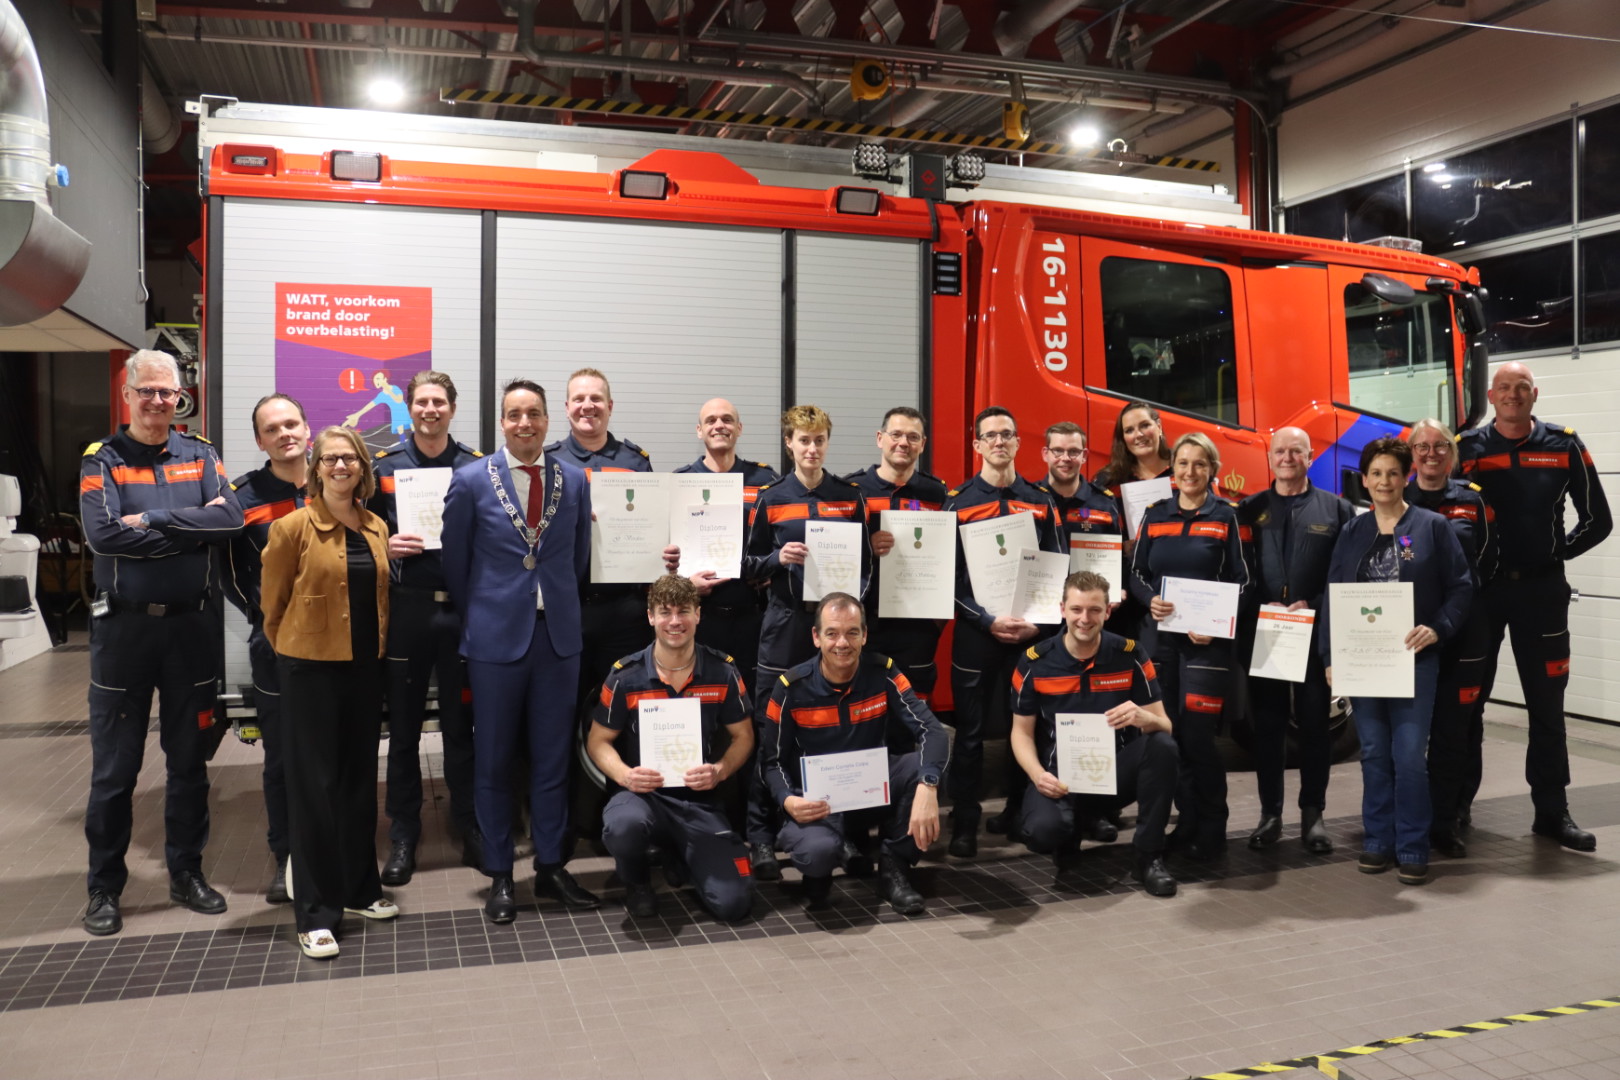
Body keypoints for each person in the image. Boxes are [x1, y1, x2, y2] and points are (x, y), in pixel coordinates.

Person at [79, 349, 243, 937]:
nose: (157, 401)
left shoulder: (200, 454)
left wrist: (152, 522)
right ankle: (103, 887)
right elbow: (103, 536)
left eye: (166, 392)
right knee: (115, 770)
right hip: (124, 635)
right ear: (128, 395)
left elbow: (230, 521)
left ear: (180, 397)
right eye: (146, 390)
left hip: (189, 631)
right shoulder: (102, 458)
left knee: (190, 763)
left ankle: (187, 873)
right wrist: (191, 528)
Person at [442, 378, 599, 923]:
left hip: (557, 638)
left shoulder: (573, 479)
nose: (525, 423)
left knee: (554, 758)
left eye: (534, 413)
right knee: (494, 759)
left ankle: (552, 866)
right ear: (501, 422)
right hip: (494, 640)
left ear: (547, 420)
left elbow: (578, 558)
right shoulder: (470, 481)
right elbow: (457, 565)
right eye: (514, 414)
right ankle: (501, 874)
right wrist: (486, 616)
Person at [1455, 361, 1612, 851]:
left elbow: (1599, 520)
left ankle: (1552, 811)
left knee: (1547, 707)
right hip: (1482, 595)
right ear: (1490, 395)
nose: (1512, 394)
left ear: (1534, 394)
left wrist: (1556, 554)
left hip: (1542, 595)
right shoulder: (1466, 449)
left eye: (1521, 387)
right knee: (1468, 703)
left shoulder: (1564, 445)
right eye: (1503, 387)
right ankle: (1455, 805)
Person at [261, 426, 398, 958]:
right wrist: (297, 651)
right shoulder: (292, 528)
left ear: (364, 468)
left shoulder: (376, 526)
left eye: (351, 458)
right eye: (331, 459)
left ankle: (360, 891)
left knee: (358, 783)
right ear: (315, 469)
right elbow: (272, 609)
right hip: (310, 672)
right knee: (314, 790)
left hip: (365, 669)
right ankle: (316, 913)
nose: (341, 466)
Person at [1323, 437, 1472, 886]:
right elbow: (1333, 595)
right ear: (1364, 480)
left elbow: (1461, 587)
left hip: (1413, 659)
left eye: (1392, 473)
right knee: (1372, 753)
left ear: (1406, 477)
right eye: (1376, 473)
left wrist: (1438, 628)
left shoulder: (1431, 527)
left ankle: (1411, 844)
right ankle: (1377, 840)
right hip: (1364, 661)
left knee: (1408, 756)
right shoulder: (1352, 531)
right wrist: (1330, 656)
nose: (1384, 481)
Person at [743, 405, 872, 878]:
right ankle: (760, 838)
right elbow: (746, 564)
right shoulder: (771, 497)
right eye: (803, 440)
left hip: (834, 632)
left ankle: (847, 834)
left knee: (840, 726)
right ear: (789, 444)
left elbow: (866, 569)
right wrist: (777, 558)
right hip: (784, 627)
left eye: (819, 440)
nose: (812, 449)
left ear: (827, 443)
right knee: (769, 731)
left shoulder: (849, 498)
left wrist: (849, 615)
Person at [760, 592, 947, 914]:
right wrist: (787, 800)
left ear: (864, 635)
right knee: (817, 853)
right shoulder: (791, 687)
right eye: (832, 633)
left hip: (869, 793)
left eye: (852, 632)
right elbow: (771, 762)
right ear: (816, 637)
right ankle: (818, 874)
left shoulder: (885, 672)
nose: (842, 643)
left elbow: (933, 731)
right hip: (816, 802)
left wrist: (928, 785)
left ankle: (894, 869)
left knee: (924, 766)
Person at [368, 371, 484, 885]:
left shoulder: (477, 467)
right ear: (409, 407)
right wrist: (385, 547)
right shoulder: (385, 467)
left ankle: (470, 824)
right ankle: (403, 834)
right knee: (404, 731)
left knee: (462, 729)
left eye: (439, 402)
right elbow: (362, 533)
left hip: (462, 616)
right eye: (422, 402)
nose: (430, 410)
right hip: (408, 613)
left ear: (452, 409)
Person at [588, 575, 756, 922]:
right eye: (665, 612)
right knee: (623, 826)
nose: (675, 621)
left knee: (734, 904)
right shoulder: (624, 676)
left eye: (684, 611)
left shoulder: (723, 671)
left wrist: (720, 770)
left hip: (698, 800)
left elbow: (744, 737)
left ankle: (681, 853)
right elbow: (597, 741)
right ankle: (637, 881)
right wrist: (625, 776)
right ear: (651, 617)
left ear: (698, 614)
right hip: (641, 795)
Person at [1009, 571, 1179, 897]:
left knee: (1163, 746)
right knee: (1043, 832)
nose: (1084, 619)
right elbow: (1020, 733)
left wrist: (1144, 717)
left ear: (1108, 611)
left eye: (1094, 610)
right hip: (1060, 779)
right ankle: (1068, 827)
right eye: (1076, 609)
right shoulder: (1035, 662)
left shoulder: (1130, 655)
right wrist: (1037, 775)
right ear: (1062, 609)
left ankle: (1148, 857)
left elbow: (1165, 725)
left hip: (1112, 776)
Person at [942, 406, 1062, 857]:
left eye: (1006, 434)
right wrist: (985, 619)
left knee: (1026, 727)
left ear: (1017, 443)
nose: (999, 441)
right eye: (990, 435)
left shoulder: (1041, 500)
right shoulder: (957, 502)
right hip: (977, 635)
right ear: (977, 445)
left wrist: (1039, 623)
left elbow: (1057, 568)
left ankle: (1017, 811)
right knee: (970, 734)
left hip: (1030, 637)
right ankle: (965, 821)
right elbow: (946, 580)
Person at [1128, 431, 1247, 859]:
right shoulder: (1155, 514)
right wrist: (1150, 600)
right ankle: (1186, 820)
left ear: (1212, 470)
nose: (1190, 471)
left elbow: (1242, 579)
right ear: (1172, 470)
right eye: (1182, 463)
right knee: (1169, 733)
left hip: (1205, 647)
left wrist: (1216, 624)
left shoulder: (1226, 516)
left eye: (1199, 463)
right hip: (1160, 643)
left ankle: (1212, 825)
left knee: (1198, 737)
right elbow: (1135, 573)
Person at [1236, 427, 1353, 854]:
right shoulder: (1248, 509)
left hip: (1315, 632)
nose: (1287, 458)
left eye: (1296, 451)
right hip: (1266, 632)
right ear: (1270, 458)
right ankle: (1270, 815)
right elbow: (1239, 569)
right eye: (1280, 451)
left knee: (1315, 726)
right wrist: (1258, 607)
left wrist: (1315, 604)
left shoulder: (1337, 509)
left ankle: (1313, 814)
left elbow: (1345, 573)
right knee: (1267, 727)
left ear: (1310, 456)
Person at [223, 393, 310, 904]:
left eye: (291, 424)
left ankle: (339, 850)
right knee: (281, 757)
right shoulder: (242, 497)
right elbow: (230, 575)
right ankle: (287, 856)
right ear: (260, 441)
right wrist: (265, 617)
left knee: (339, 752)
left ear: (307, 429)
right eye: (272, 429)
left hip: (340, 646)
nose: (284, 434)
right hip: (276, 647)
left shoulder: (339, 482)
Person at [1406, 418, 1497, 859]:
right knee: (1407, 733)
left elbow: (1488, 560)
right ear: (1411, 454)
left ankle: (1449, 817)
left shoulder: (1472, 501)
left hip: (1464, 631)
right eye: (1422, 446)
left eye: (1440, 445)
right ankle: (1411, 815)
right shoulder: (1397, 499)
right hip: (1410, 633)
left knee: (1456, 729)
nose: (1431, 453)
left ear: (1452, 453)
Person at [544, 367, 655, 699]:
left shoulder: (636, 462)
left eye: (596, 398)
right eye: (579, 399)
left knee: (624, 703)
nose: (587, 406)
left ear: (610, 405)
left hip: (626, 610)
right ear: (567, 407)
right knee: (564, 702)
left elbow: (651, 525)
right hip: (566, 607)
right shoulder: (547, 462)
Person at [844, 406, 949, 701]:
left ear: (922, 444)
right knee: (863, 703)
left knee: (915, 706)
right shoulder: (853, 490)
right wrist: (867, 546)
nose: (904, 443)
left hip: (917, 628)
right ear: (880, 438)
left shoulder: (937, 494)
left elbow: (949, 559)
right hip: (864, 622)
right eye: (896, 434)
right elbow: (833, 555)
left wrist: (936, 623)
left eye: (913, 437)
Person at [673, 397, 778, 687]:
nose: (719, 425)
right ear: (699, 430)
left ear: (739, 428)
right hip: (700, 617)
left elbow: (780, 536)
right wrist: (686, 585)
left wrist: (772, 570)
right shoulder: (680, 481)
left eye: (727, 419)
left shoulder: (765, 479)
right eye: (711, 420)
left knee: (750, 697)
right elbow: (665, 553)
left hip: (752, 617)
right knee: (700, 695)